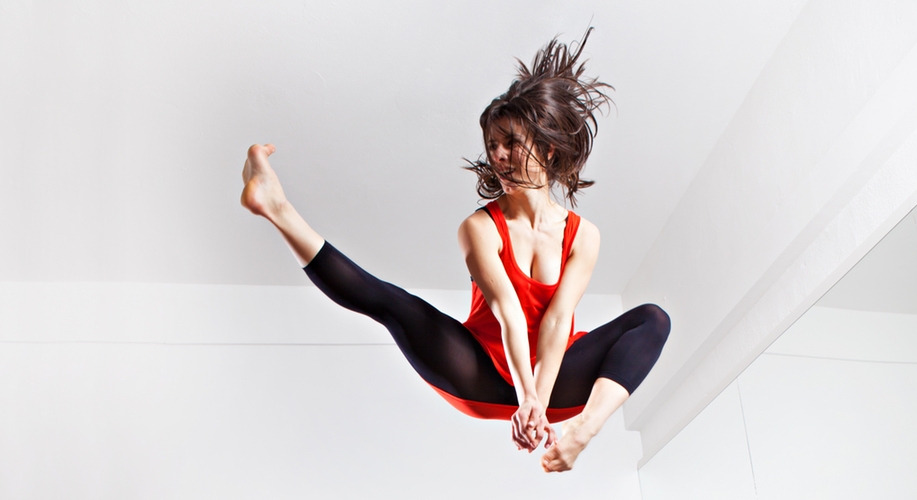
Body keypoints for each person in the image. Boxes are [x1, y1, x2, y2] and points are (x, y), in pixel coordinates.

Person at [239, 28, 670, 473]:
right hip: (479, 369)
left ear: (544, 145)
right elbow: (507, 311)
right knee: (395, 303)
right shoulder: (479, 228)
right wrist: (524, 399)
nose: (498, 155)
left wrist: (538, 400)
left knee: (653, 319)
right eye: (492, 146)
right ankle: (276, 207)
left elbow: (558, 320)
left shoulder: (584, 236)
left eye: (511, 143)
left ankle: (584, 431)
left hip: (553, 383)